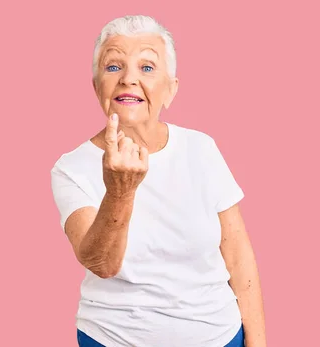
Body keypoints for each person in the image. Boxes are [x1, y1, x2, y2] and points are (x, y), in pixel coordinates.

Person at [50, 15, 266, 347]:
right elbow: (102, 263)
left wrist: (258, 342)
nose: (128, 79)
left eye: (147, 67)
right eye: (113, 67)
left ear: (170, 90)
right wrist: (121, 190)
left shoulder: (201, 148)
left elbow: (237, 253)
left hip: (219, 337)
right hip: (111, 339)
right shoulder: (71, 168)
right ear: (97, 88)